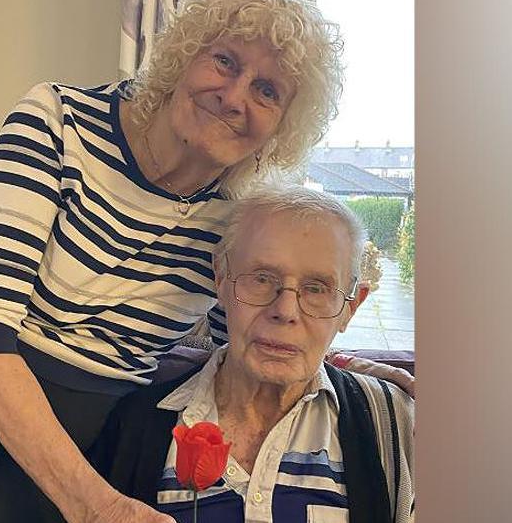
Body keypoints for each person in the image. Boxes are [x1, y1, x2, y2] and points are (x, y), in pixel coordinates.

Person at [0, 0, 410, 522]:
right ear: (183, 55)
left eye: (267, 90)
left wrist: (345, 367)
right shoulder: (61, 120)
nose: (234, 95)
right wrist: (95, 504)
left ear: (284, 124)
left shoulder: (232, 219)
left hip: (65, 438)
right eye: (225, 60)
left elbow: (253, 332)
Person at [90, 185, 415, 523]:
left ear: (351, 306)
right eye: (261, 278)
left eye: (316, 289)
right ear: (221, 278)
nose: (286, 310)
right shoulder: (134, 426)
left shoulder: (396, 423)